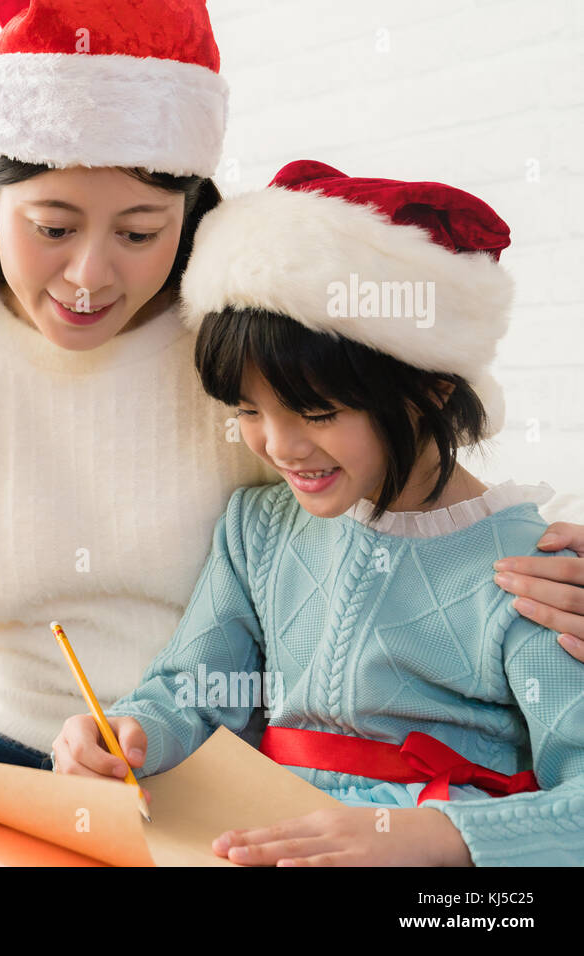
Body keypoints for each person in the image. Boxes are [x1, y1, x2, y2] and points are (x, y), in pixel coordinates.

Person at [0, 1, 584, 868]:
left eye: (139, 232)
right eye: (52, 225)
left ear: (190, 212)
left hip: (197, 781)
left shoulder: (236, 343)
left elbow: (412, 470)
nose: (89, 275)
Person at [52, 160, 584, 866]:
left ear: (429, 388)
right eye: (247, 411)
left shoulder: (532, 569)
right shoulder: (259, 529)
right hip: (252, 836)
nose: (278, 446)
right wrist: (129, 732)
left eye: (317, 413)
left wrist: (436, 839)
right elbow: (192, 690)